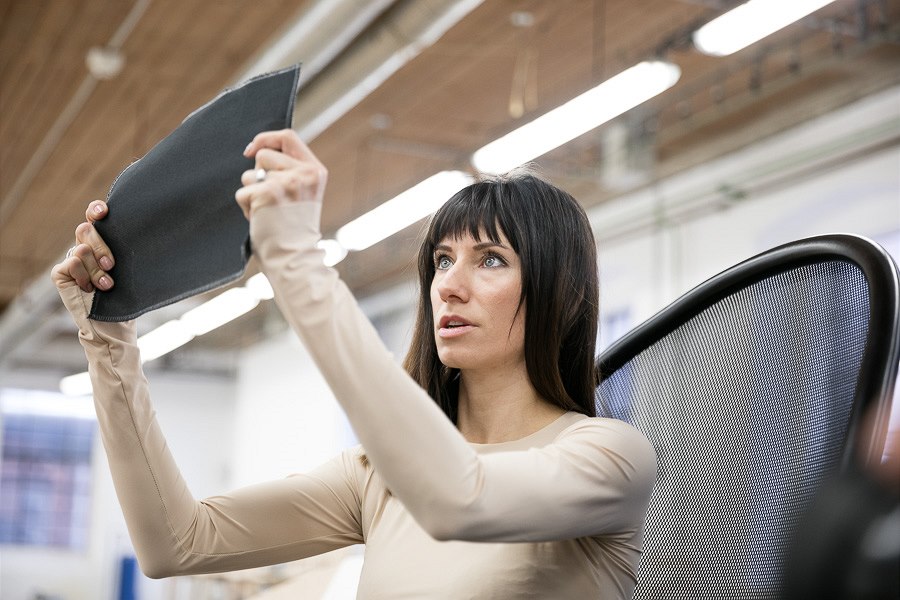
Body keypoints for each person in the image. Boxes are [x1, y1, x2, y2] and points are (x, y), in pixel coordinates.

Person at [51, 129, 657, 598]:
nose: (449, 285)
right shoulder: (375, 478)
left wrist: (295, 258)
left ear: (562, 293)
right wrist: (108, 341)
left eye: (491, 259)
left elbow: (459, 498)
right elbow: (175, 542)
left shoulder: (609, 457)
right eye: (442, 261)